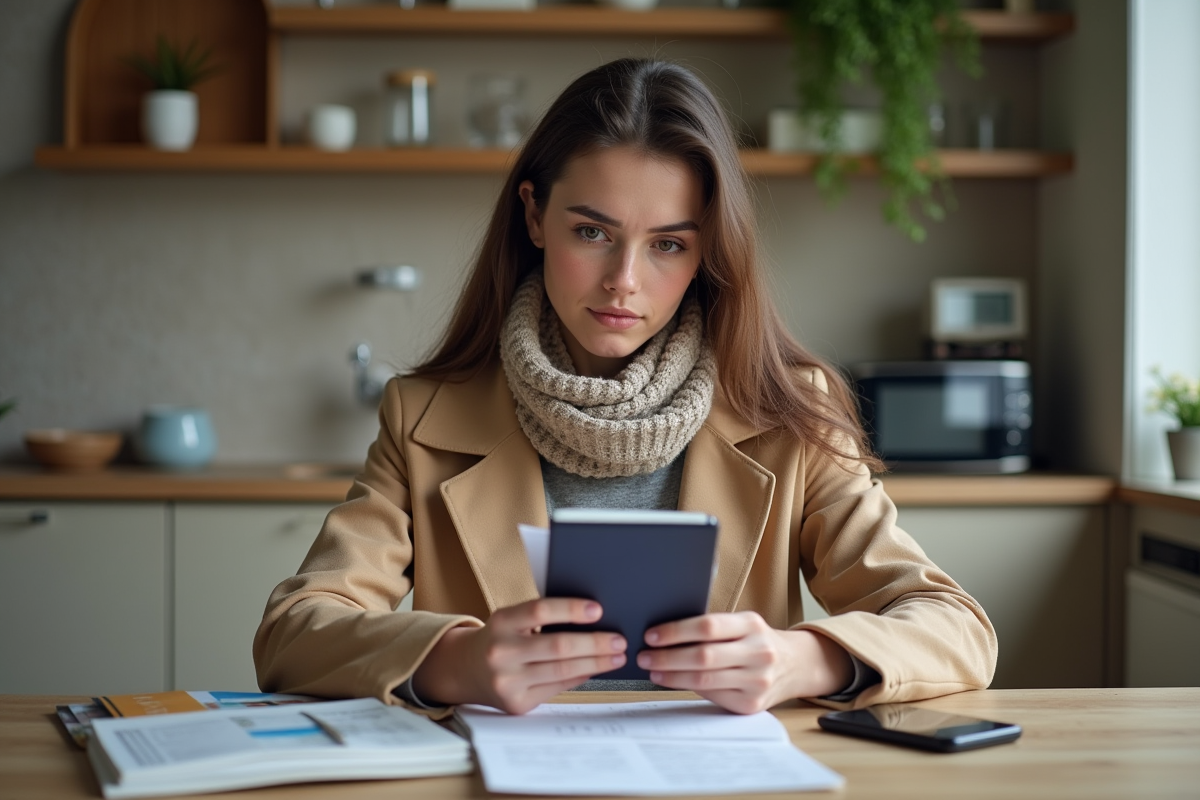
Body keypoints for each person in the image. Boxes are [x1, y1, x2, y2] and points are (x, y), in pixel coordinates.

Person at [254, 58, 996, 719]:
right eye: (592, 232)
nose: (624, 281)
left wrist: (801, 659)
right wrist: (453, 664)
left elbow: (954, 627)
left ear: (708, 253)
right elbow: (294, 630)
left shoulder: (789, 412)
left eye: (668, 244)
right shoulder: (424, 416)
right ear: (535, 215)